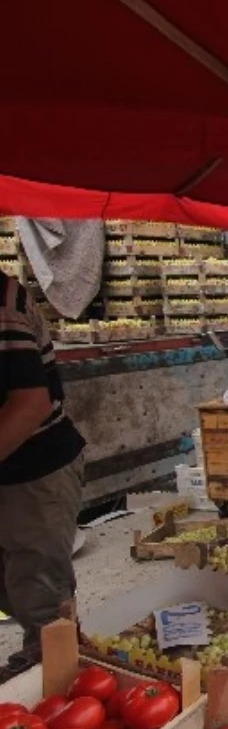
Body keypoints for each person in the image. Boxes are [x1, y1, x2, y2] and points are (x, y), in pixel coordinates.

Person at [0, 271, 87, 672]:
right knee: (18, 587)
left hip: (34, 470)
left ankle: (55, 680)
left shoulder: (2, 301)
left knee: (43, 603)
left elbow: (30, 403)